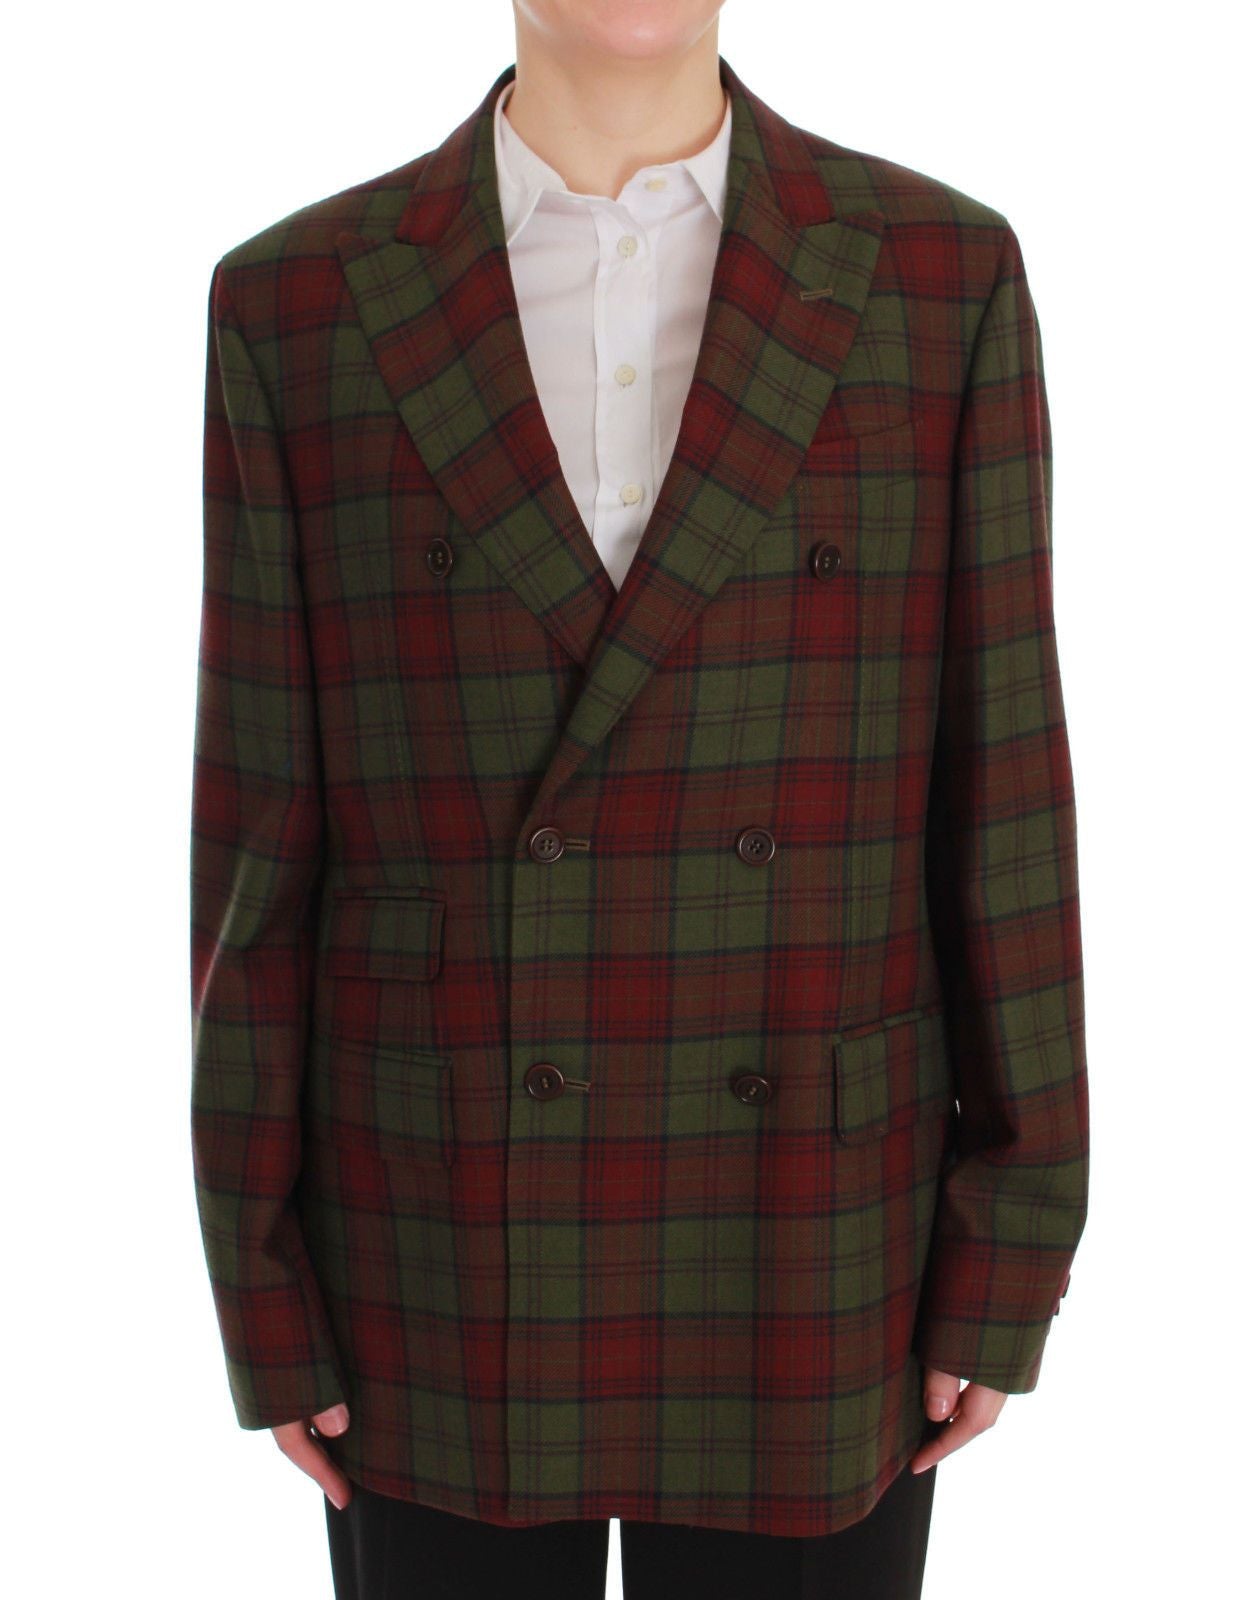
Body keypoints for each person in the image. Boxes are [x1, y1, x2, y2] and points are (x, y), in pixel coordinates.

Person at [190, 3, 1090, 1596]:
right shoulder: (300, 299)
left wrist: (1013, 1234)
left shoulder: (940, 274)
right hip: (437, 1231)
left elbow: (1004, 793)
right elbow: (261, 836)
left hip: (811, 1224)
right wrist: (258, 1279)